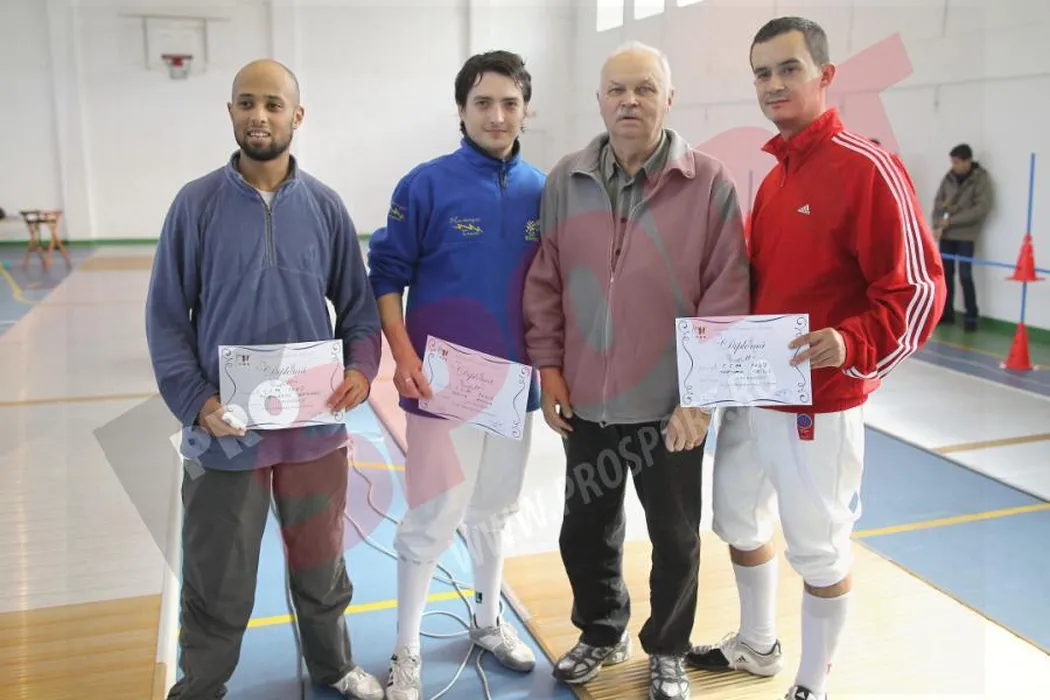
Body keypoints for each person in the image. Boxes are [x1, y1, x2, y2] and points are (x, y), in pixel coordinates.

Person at [684, 17, 946, 700]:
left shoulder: (867, 167)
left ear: (825, 75)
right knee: (737, 519)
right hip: (755, 394)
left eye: (788, 68)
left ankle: (812, 685)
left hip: (819, 406)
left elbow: (919, 290)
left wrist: (853, 344)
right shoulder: (775, 177)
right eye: (762, 73)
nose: (773, 84)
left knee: (819, 550)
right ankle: (757, 645)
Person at [145, 59, 384, 700]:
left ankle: (333, 666)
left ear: (296, 116)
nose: (259, 115)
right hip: (225, 432)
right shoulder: (195, 205)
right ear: (230, 112)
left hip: (313, 431)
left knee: (321, 564)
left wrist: (361, 371)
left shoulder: (326, 207)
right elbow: (165, 319)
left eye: (273, 104)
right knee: (217, 574)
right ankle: (201, 684)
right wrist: (198, 402)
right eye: (247, 102)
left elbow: (360, 312)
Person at [522, 41, 750, 700]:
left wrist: (699, 399)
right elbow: (545, 282)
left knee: (675, 538)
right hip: (587, 401)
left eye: (645, 89)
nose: (630, 101)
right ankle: (601, 631)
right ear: (599, 101)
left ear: (668, 100)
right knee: (585, 530)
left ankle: (668, 648)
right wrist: (550, 369)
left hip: (670, 409)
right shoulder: (565, 180)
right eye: (618, 90)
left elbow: (727, 296)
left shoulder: (709, 183)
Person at [366, 50, 545, 700]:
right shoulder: (425, 185)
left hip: (512, 387)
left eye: (509, 103)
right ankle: (407, 652)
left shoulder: (542, 190)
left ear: (526, 110)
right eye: (483, 103)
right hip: (440, 389)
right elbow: (386, 278)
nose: (497, 116)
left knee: (494, 512)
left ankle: (489, 621)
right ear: (461, 110)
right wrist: (404, 358)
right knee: (432, 519)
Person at [932, 143, 993, 332]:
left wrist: (952, 221)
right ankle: (946, 313)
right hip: (946, 235)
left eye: (957, 162)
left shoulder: (980, 179)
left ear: (968, 161)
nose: (954, 166)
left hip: (966, 236)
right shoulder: (948, 178)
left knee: (965, 276)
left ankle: (971, 316)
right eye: (952, 162)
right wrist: (936, 225)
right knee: (945, 276)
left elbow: (980, 209)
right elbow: (938, 202)